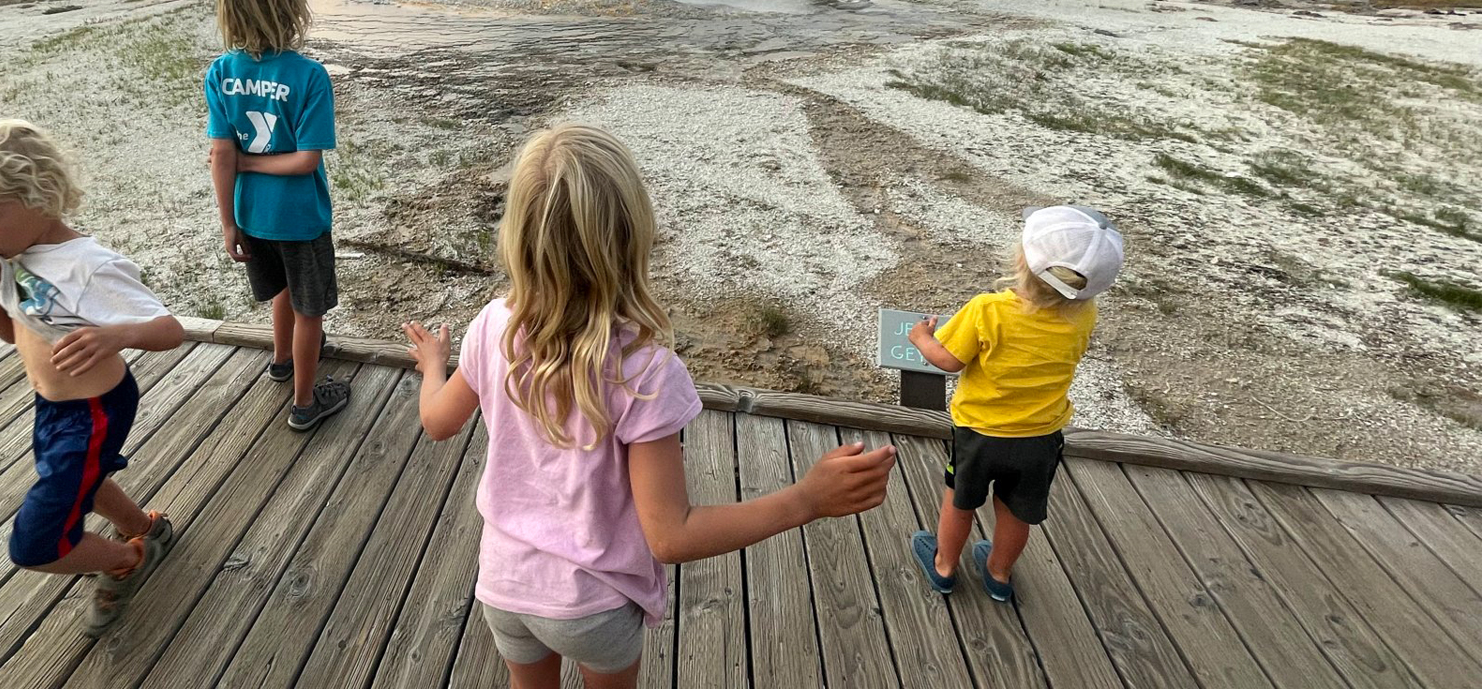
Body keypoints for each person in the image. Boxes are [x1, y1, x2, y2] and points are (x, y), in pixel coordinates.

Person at [403, 124, 896, 689]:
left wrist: (435, 365)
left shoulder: (493, 327)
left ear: (516, 236)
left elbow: (437, 422)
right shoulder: (644, 372)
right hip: (594, 605)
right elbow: (671, 535)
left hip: (504, 587)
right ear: (632, 237)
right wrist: (805, 500)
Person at [0, 119, 184, 636]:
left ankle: (126, 558)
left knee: (36, 545)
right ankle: (146, 528)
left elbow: (169, 329)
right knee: (86, 478)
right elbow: (14, 335)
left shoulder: (86, 265)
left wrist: (116, 335)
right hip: (54, 406)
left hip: (94, 410)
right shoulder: (10, 256)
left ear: (41, 198)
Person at [905, 205, 1125, 603]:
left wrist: (921, 337)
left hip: (980, 434)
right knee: (1015, 511)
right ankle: (999, 573)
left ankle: (944, 567)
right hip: (1040, 438)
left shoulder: (987, 310)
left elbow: (949, 361)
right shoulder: (1084, 316)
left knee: (960, 502)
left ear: (1023, 258)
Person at [206, 0, 347, 431]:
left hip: (252, 216)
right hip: (301, 219)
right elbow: (307, 160)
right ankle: (306, 404)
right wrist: (255, 160)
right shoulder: (309, 76)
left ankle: (281, 361)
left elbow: (220, 155)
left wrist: (228, 221)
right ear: (291, 5)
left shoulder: (221, 73)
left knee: (282, 291)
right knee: (311, 310)